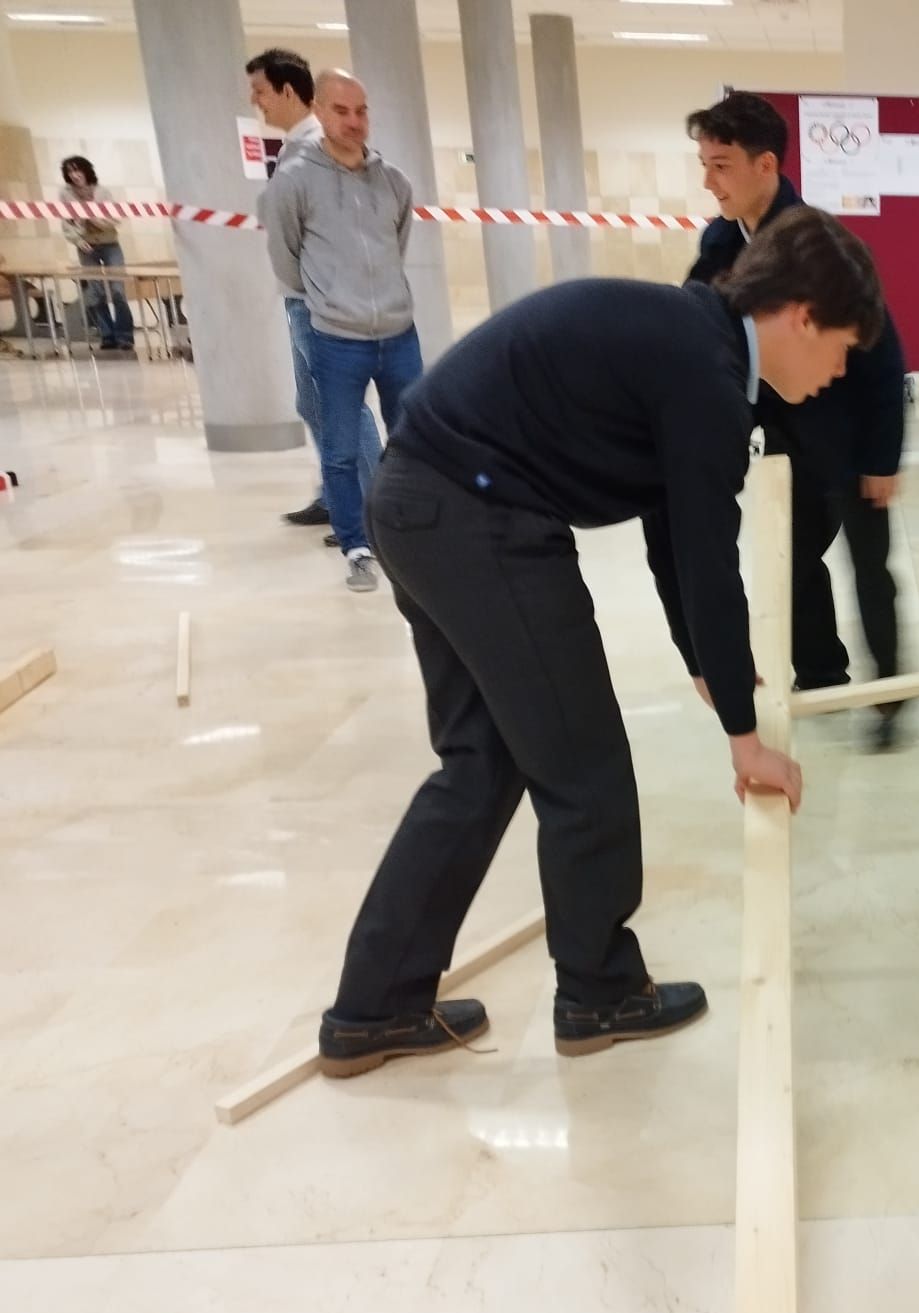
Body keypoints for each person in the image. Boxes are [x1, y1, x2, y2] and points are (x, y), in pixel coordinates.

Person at [318, 208, 884, 1078]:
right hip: (478, 518)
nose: (838, 372)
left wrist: (704, 663)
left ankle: (374, 1008)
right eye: (842, 349)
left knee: (481, 763)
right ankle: (599, 991)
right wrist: (745, 737)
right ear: (802, 314)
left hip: (420, 502)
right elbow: (706, 556)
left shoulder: (692, 339)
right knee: (582, 769)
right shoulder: (707, 372)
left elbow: (667, 526)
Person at [685, 91, 910, 748]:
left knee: (870, 565)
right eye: (703, 164)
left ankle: (889, 693)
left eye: (721, 164)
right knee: (794, 558)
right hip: (782, 438)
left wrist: (883, 458)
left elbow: (881, 350)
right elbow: (699, 318)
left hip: (848, 436)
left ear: (766, 166)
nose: (709, 181)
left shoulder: (818, 241)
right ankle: (822, 673)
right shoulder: (721, 241)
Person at [261, 69, 420, 594]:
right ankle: (356, 545)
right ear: (320, 111)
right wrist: (331, 301)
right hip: (335, 336)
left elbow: (396, 245)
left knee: (412, 440)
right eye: (341, 111)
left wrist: (382, 299)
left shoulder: (393, 180)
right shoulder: (295, 179)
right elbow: (286, 260)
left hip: (398, 333)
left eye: (361, 111)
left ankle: (407, 530)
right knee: (341, 447)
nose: (354, 122)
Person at [245, 48, 384, 540]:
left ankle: (374, 512)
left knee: (342, 405)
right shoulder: (297, 147)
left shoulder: (314, 149)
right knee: (314, 403)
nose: (255, 101)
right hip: (302, 296)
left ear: (288, 90)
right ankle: (336, 495)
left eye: (261, 91)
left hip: (317, 300)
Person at [57, 157, 134, 353]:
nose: (74, 175)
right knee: (95, 292)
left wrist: (91, 216)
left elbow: (114, 219)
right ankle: (107, 335)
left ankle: (125, 336)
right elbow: (66, 222)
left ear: (85, 171)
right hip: (86, 246)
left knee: (118, 290)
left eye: (77, 170)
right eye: (70, 172)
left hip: (110, 244)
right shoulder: (65, 194)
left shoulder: (102, 191)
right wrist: (77, 239)